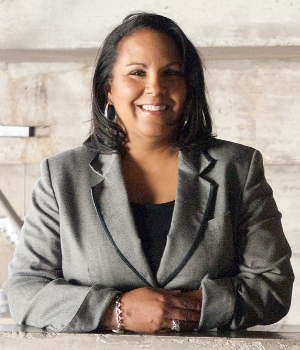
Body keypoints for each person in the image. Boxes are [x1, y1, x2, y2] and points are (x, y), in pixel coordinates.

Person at [4, 12, 294, 334]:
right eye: (137, 73)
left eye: (171, 73)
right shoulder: (62, 176)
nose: (155, 87)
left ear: (188, 88)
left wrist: (184, 310)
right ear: (108, 90)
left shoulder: (237, 169)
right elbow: (25, 291)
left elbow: (272, 285)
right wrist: (118, 312)